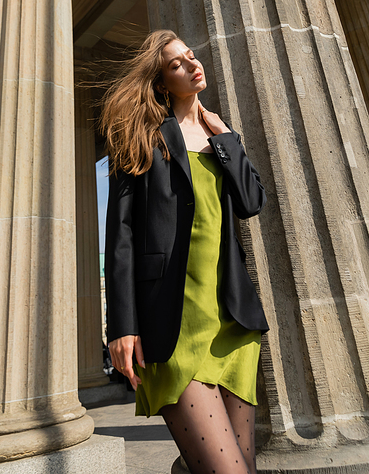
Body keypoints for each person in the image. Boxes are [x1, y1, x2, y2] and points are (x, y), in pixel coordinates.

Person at [102, 29, 269, 474]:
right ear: (161, 82)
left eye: (191, 56)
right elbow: (120, 237)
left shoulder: (220, 137)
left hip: (230, 320)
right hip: (172, 322)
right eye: (177, 63)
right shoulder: (142, 138)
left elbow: (252, 203)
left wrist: (228, 137)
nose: (193, 64)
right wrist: (122, 324)